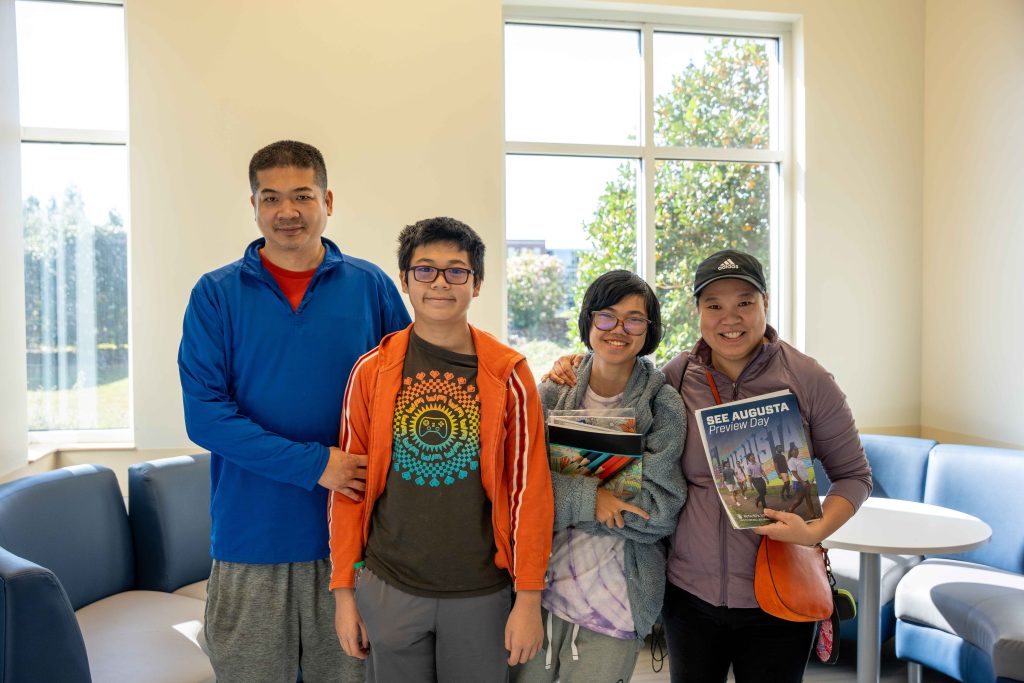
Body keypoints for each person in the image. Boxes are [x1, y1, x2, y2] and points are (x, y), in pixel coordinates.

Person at [545, 250, 872, 682]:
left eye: (744, 302)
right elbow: (620, 372)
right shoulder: (677, 378)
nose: (729, 317)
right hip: (689, 596)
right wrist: (574, 363)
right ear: (697, 310)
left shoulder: (807, 380)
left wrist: (814, 530)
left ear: (766, 303)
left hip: (777, 591)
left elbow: (855, 476)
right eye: (714, 305)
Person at [178, 140, 411, 683]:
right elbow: (206, 417)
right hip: (251, 537)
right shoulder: (215, 295)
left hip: (356, 539)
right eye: (272, 198)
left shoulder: (370, 286)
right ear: (254, 205)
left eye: (302, 195)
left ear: (328, 200)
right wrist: (316, 465)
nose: (288, 211)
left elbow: (412, 387)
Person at [328, 217, 554, 683]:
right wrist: (345, 593)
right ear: (406, 281)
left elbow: (530, 492)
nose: (440, 283)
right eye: (425, 270)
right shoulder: (371, 372)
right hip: (389, 587)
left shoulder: (509, 376)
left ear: (477, 283)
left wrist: (529, 598)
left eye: (457, 271)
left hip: (481, 593)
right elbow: (349, 489)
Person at [511, 271, 687, 683]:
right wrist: (595, 499)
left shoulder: (664, 406)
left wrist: (564, 497)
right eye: (606, 316)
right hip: (537, 592)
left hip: (617, 601)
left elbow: (658, 513)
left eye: (634, 319)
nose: (619, 330)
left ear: (650, 329)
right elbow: (520, 491)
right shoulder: (553, 392)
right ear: (589, 321)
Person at [786, 444, 815, 518]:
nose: (796, 451)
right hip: (799, 483)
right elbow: (794, 473)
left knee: (808, 498)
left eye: (797, 449)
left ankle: (812, 514)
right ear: (791, 452)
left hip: (805, 481)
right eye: (794, 450)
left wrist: (806, 481)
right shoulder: (791, 461)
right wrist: (802, 482)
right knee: (799, 500)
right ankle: (791, 509)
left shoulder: (798, 460)